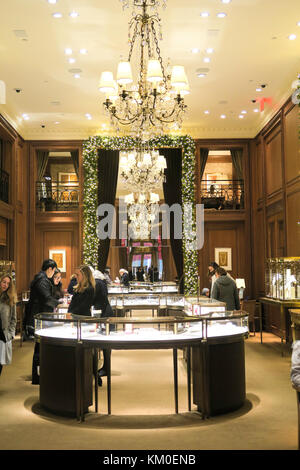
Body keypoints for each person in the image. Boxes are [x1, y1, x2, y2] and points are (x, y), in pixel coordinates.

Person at [27, 259, 60, 384]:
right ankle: (37, 376)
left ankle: (39, 375)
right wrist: (58, 304)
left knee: (40, 347)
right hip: (40, 318)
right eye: (54, 270)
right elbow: (46, 298)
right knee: (39, 348)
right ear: (50, 269)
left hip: (40, 317)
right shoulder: (42, 280)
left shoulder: (42, 279)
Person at [92, 270, 114, 386]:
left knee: (105, 343)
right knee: (106, 343)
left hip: (104, 314)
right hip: (106, 313)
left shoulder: (97, 283)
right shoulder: (101, 282)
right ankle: (106, 367)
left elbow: (97, 300)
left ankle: (106, 368)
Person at [0, 274, 17, 376]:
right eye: (4, 282)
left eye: (8, 283)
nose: (5, 285)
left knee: (0, 362)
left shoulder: (11, 299)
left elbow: (13, 319)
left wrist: (11, 334)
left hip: (3, 334)